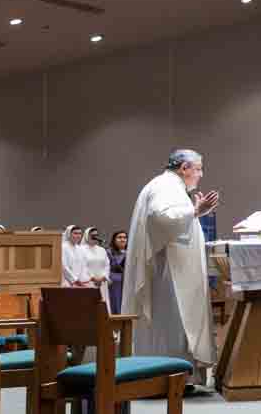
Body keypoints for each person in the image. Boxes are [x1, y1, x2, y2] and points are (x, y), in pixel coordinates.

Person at [121, 148, 219, 379]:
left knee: (173, 325)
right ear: (184, 168)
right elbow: (159, 216)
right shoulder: (166, 186)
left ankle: (174, 377)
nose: (201, 174)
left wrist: (194, 212)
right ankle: (167, 378)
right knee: (172, 324)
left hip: (171, 271)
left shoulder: (168, 186)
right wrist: (195, 210)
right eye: (198, 169)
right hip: (168, 276)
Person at [106, 229, 129, 315]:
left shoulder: (131, 251)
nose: (123, 239)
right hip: (115, 281)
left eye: (125, 237)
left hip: (128, 282)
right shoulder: (109, 252)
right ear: (114, 239)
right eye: (119, 237)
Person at [84, 229, 112, 298]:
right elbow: (82, 266)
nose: (95, 237)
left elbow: (107, 265)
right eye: (92, 235)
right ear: (87, 236)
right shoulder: (81, 250)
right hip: (88, 282)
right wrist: (93, 278)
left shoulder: (102, 250)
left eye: (96, 235)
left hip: (102, 282)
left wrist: (103, 277)